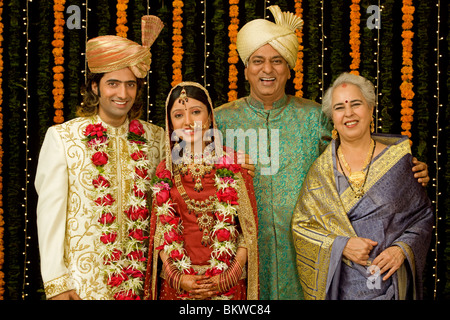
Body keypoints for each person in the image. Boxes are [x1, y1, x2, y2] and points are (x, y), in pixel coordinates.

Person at [214, 5, 430, 300]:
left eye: (277, 61)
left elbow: (354, 137)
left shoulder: (314, 116)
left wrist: (401, 165)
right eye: (258, 61)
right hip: (244, 249)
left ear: (289, 67)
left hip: (308, 249)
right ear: (246, 68)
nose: (267, 70)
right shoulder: (222, 120)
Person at [34, 16, 164, 300]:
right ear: (95, 86)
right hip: (82, 286)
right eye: (113, 84)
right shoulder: (63, 138)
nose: (122, 94)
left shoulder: (157, 139)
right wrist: (57, 283)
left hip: (144, 283)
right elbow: (49, 217)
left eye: (131, 85)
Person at [291, 72, 434, 300]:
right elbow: (302, 228)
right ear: (333, 118)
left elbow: (422, 216)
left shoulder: (398, 162)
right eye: (339, 107)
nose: (349, 113)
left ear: (370, 109)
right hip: (344, 289)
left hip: (392, 285)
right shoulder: (321, 172)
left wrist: (401, 250)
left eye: (355, 104)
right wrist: (341, 246)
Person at [143, 82, 259, 300]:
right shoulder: (166, 170)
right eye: (178, 115)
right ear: (171, 123)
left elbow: (248, 229)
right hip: (179, 286)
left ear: (209, 117)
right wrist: (177, 277)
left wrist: (230, 274)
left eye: (196, 112)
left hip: (228, 283)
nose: (188, 122)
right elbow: (160, 232)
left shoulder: (235, 164)